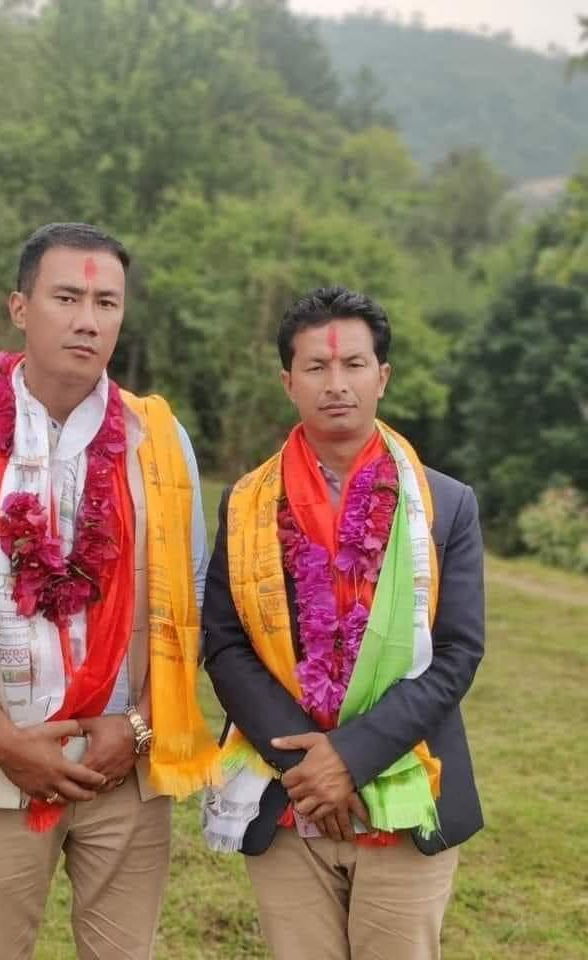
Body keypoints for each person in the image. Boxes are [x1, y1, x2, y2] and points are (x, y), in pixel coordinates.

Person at [0, 222, 220, 960]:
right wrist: (5, 744)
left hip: (124, 771)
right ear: (19, 307)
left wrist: (138, 726)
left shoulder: (160, 441)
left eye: (107, 303)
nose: (87, 320)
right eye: (66, 297)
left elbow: (189, 598)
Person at [202, 286, 484, 960]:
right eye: (317, 367)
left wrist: (350, 758)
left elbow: (457, 651)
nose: (336, 384)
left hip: (408, 788)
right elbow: (226, 643)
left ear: (382, 377)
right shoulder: (247, 504)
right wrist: (308, 768)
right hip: (287, 796)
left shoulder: (445, 505)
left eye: (353, 365)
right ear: (288, 382)